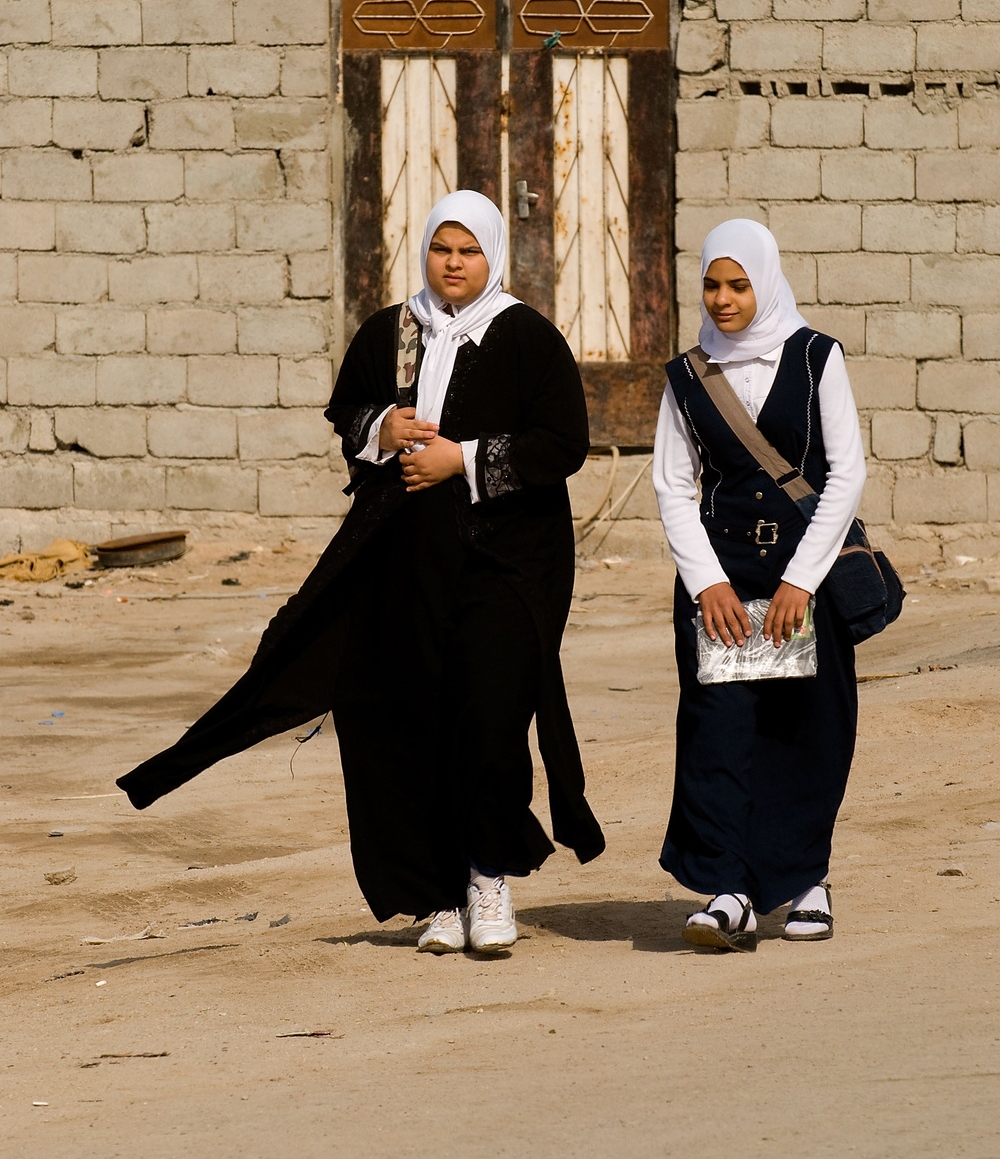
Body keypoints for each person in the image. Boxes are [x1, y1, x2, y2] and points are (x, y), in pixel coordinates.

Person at [118, 190, 604, 955]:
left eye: (468, 251)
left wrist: (463, 460)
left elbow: (562, 444)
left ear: (493, 257)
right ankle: (437, 896)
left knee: (489, 716)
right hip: (401, 564)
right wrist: (382, 426)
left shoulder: (527, 339)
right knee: (405, 722)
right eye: (442, 249)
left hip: (504, 565)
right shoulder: (392, 331)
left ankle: (487, 879)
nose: (453, 264)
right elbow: (346, 411)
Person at [653, 219, 866, 952]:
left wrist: (801, 582)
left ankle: (806, 879)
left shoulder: (815, 358)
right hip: (721, 576)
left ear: (766, 283)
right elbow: (674, 486)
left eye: (738, 285)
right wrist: (706, 581)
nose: (722, 299)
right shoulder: (686, 374)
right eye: (712, 284)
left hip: (802, 576)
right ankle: (730, 890)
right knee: (720, 730)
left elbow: (846, 474)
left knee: (807, 727)